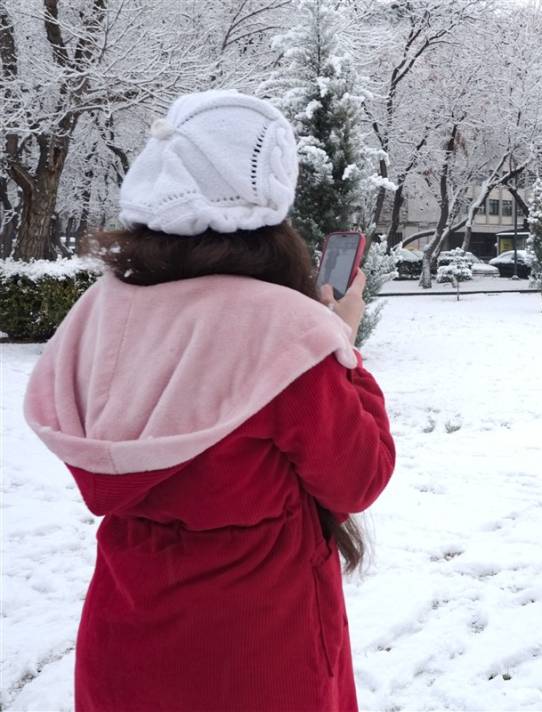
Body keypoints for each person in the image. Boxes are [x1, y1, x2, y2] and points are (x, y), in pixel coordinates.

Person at [23, 90, 395, 711]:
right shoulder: (285, 333)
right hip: (259, 653)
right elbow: (359, 476)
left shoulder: (101, 309)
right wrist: (342, 344)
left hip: (125, 637)